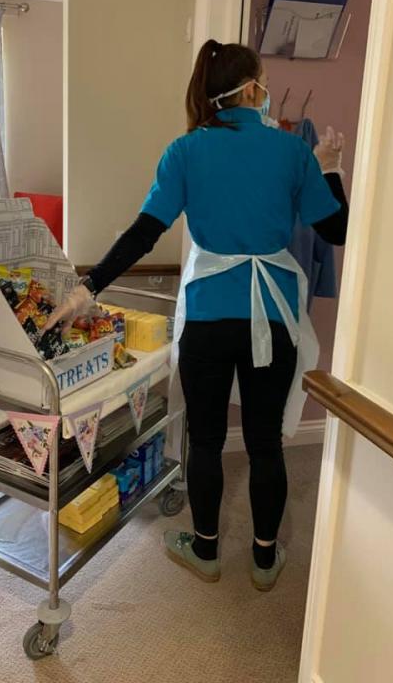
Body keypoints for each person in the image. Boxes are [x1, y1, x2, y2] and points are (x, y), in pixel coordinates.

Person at [43, 41, 348, 592]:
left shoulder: (184, 151)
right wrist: (328, 170)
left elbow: (143, 232)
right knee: (265, 443)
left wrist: (87, 287)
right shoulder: (289, 152)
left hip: (208, 317)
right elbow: (337, 231)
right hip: (271, 318)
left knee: (205, 440)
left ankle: (206, 550)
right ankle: (262, 559)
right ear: (252, 89)